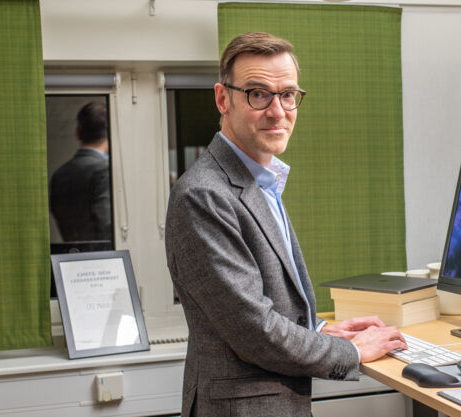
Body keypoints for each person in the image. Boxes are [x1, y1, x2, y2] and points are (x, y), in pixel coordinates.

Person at [165, 32, 407, 416]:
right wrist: (353, 351)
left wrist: (321, 330)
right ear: (222, 99)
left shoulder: (262, 180)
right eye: (258, 94)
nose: (277, 111)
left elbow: (271, 307)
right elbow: (254, 331)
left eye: (288, 94)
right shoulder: (204, 195)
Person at [50, 101, 111, 242]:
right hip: (103, 256)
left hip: (69, 256)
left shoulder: (59, 174)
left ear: (77, 133)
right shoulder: (105, 170)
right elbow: (106, 221)